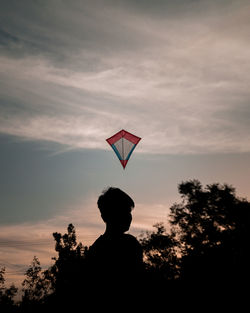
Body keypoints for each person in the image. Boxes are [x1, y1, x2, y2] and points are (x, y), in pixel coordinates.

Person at [86, 187, 144, 301]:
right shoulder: (130, 244)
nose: (128, 216)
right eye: (123, 211)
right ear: (106, 216)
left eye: (129, 212)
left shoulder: (95, 249)